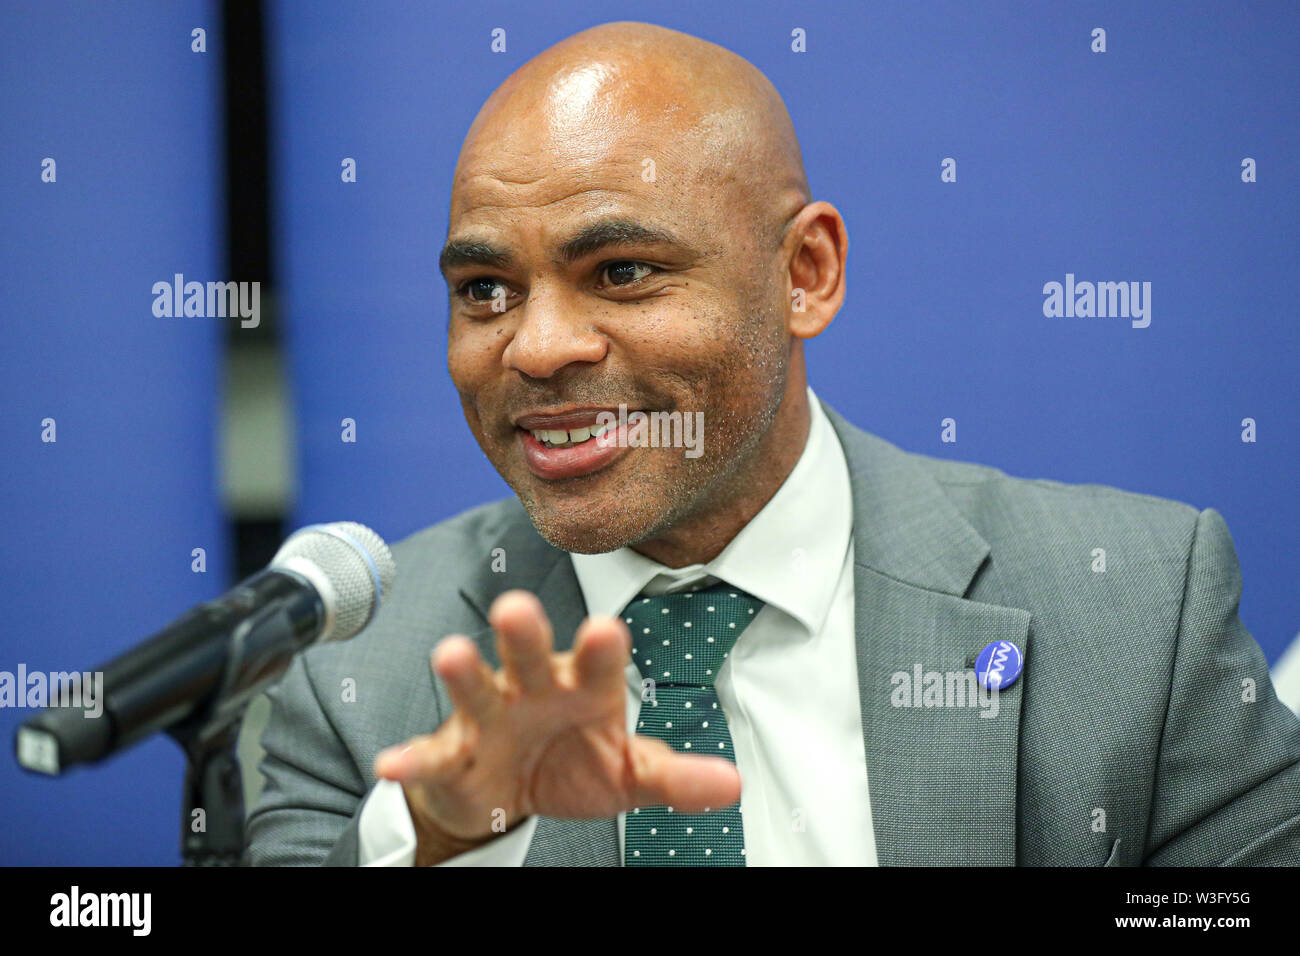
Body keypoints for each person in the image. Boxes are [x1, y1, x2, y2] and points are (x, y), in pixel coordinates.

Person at [245, 21, 1300, 866]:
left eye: (621, 269)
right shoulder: (353, 675)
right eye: (485, 290)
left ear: (806, 274)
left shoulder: (1135, 610)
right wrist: (428, 839)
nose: (538, 345)